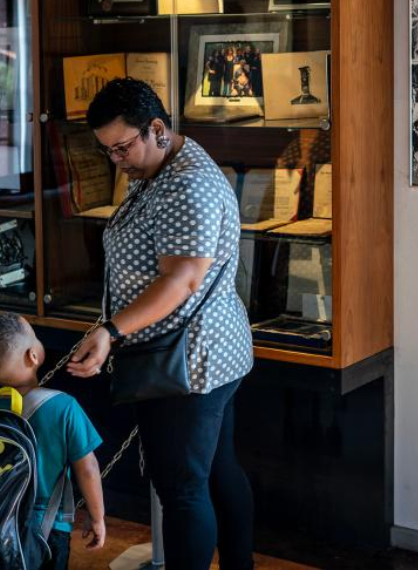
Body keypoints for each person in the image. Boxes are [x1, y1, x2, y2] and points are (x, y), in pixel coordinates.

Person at [66, 77, 255, 570]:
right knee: (216, 472)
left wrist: (111, 331)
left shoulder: (186, 183)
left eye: (123, 147)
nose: (117, 160)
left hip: (186, 362)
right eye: (107, 150)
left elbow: (181, 279)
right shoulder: (163, 165)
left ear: (156, 128)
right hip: (208, 351)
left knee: (182, 490)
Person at [0, 314, 106, 569]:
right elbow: (88, 469)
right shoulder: (64, 407)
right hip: (49, 528)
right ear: (33, 356)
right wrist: (97, 517)